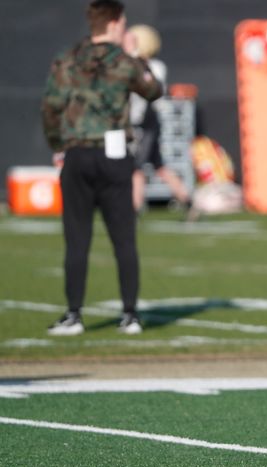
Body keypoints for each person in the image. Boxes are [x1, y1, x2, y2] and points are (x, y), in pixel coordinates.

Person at [41, 0, 161, 335]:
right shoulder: (124, 61)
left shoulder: (67, 58)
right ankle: (130, 315)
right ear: (115, 23)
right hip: (114, 154)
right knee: (123, 239)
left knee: (77, 239)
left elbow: (50, 107)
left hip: (77, 153)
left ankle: (73, 314)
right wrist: (137, 57)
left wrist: (58, 145)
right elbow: (154, 90)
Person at [125, 24, 191, 213]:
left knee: (136, 167)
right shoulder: (135, 66)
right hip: (143, 122)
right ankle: (187, 200)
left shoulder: (153, 67)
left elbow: (147, 94)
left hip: (145, 122)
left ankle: (134, 208)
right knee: (159, 165)